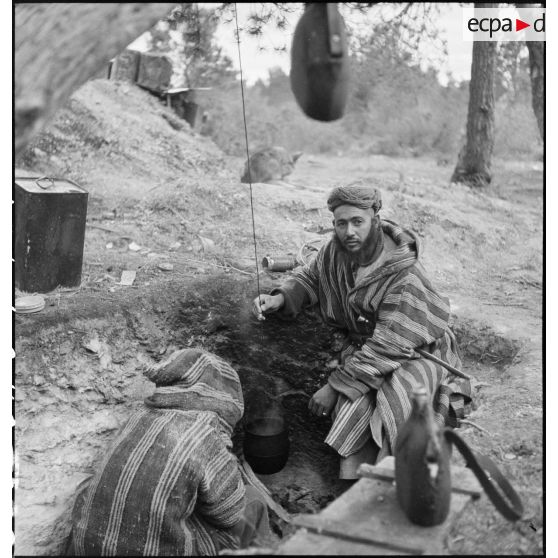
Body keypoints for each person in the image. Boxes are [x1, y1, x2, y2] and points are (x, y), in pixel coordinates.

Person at [252, 182, 472, 479]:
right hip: (371, 349)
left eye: (358, 221)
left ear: (375, 221)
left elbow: (390, 344)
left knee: (398, 401)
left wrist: (333, 386)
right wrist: (280, 297)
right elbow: (313, 276)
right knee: (354, 405)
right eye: (341, 223)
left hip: (417, 351)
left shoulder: (402, 273)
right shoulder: (336, 251)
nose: (349, 231)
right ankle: (355, 491)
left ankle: (397, 483)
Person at [68, 348, 270, 556]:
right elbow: (229, 515)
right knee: (254, 500)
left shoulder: (139, 415)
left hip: (88, 547)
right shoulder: (204, 433)